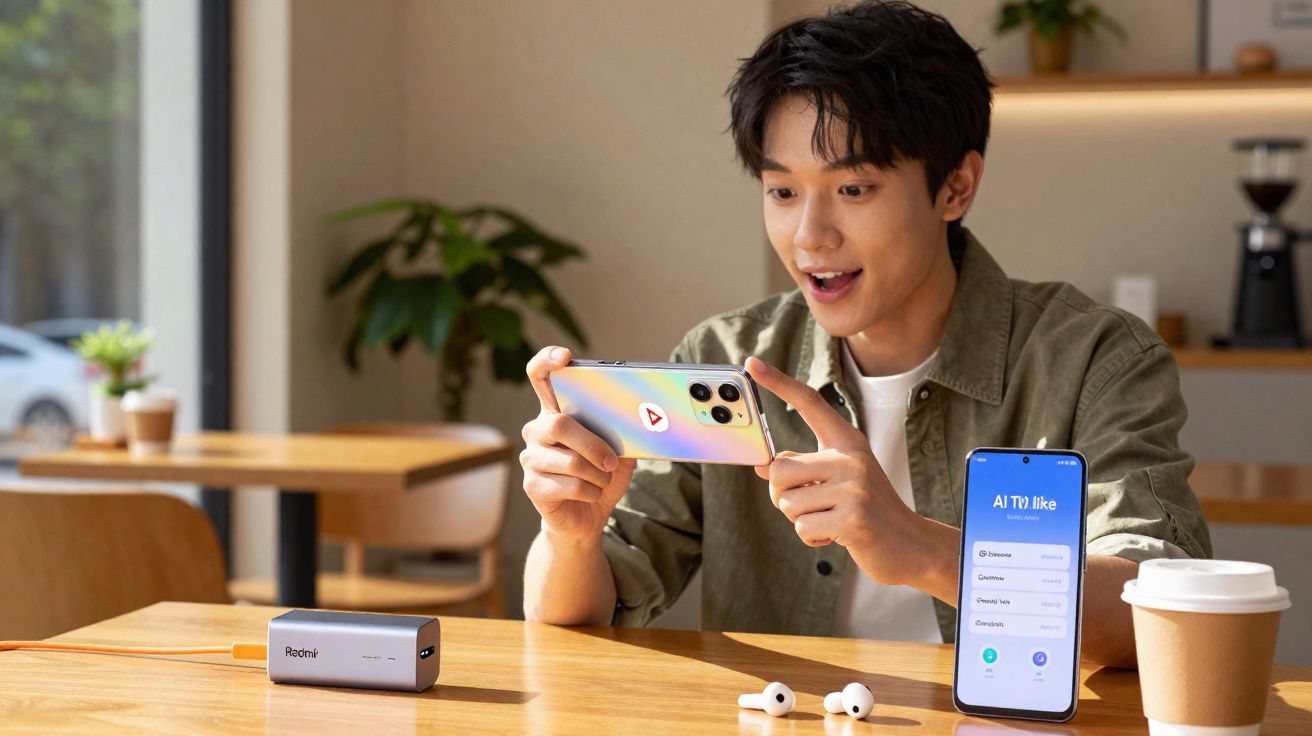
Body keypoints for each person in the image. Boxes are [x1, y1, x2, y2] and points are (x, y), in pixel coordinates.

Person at [516, 0, 1209, 667]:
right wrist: (570, 534)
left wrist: (925, 549)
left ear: (955, 188)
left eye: (853, 190)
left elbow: (1160, 608)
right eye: (782, 191)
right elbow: (581, 620)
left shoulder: (1094, 361)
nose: (810, 237)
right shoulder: (723, 360)